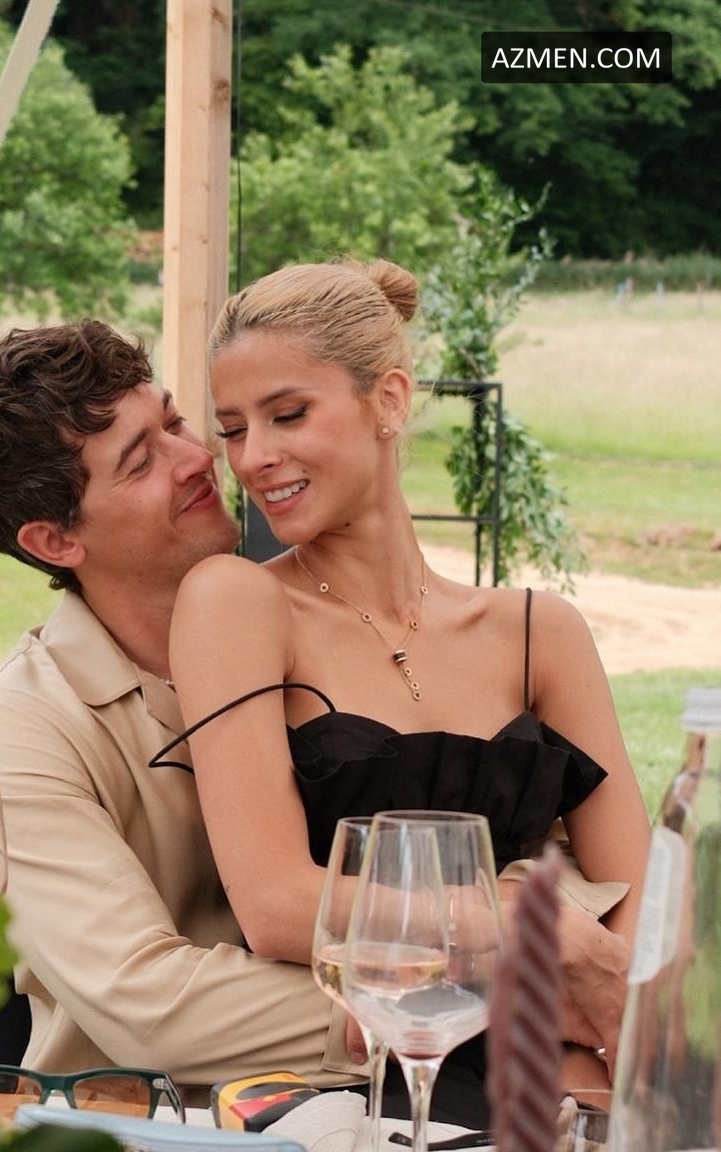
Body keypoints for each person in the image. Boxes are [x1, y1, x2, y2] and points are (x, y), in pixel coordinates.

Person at [0, 318, 635, 1115]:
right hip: (166, 1123)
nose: (199, 458)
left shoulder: (331, 642)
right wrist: (459, 994)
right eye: (141, 461)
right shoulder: (15, 729)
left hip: (408, 1101)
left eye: (174, 422)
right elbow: (151, 1005)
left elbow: (532, 856)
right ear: (55, 540)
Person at [162, 260, 652, 1114]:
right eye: (234, 429)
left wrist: (599, 1066)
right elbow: (276, 905)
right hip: (361, 1077)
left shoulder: (540, 632)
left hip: (563, 1062)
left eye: (288, 414)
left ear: (388, 401)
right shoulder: (234, 602)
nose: (255, 457)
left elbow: (639, 919)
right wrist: (514, 921)